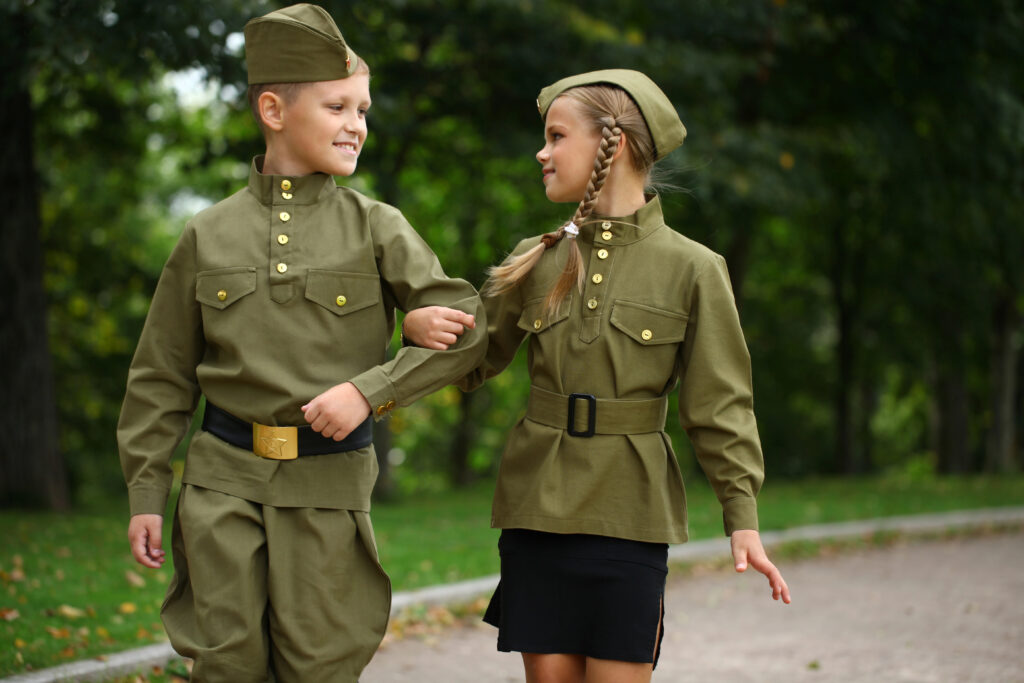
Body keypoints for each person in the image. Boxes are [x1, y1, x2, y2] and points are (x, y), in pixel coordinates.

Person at [115, 5, 485, 681]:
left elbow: (467, 327)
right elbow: (161, 376)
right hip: (221, 479)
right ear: (273, 110)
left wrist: (371, 389)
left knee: (320, 664)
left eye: (364, 110)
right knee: (225, 662)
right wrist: (146, 491)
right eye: (338, 106)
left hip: (329, 485)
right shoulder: (207, 234)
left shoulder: (378, 227)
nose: (357, 125)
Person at [403, 69, 790, 682]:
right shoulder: (537, 258)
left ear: (618, 144)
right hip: (538, 509)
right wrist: (381, 370)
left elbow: (721, 407)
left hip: (629, 515)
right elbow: (465, 357)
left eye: (557, 136)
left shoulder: (694, 269)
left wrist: (741, 518)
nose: (542, 151)